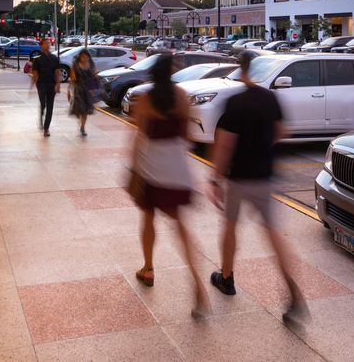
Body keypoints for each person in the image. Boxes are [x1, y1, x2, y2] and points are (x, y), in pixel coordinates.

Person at [207, 50, 307, 325]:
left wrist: (215, 179)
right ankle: (293, 293)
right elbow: (281, 132)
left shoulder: (235, 101)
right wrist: (262, 148)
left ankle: (226, 277)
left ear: (243, 71)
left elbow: (225, 144)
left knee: (229, 227)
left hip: (239, 178)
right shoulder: (271, 97)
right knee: (274, 235)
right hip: (265, 176)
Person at [129, 53, 210, 318]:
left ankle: (148, 268)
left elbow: (138, 138)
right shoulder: (181, 97)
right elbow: (187, 136)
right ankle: (198, 284)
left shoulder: (146, 100)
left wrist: (134, 169)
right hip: (177, 169)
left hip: (151, 168)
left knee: (148, 218)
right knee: (181, 229)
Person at [30, 39, 60, 136]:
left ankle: (46, 128)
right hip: (41, 85)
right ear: (41, 46)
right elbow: (34, 73)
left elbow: (57, 72)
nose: (48, 45)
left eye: (49, 43)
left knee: (50, 107)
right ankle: (42, 111)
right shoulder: (37, 60)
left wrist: (58, 84)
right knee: (43, 104)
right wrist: (32, 85)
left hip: (51, 84)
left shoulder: (55, 58)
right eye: (46, 43)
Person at [67, 48, 97, 137]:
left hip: (88, 90)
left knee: (85, 111)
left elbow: (94, 77)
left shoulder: (91, 65)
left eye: (86, 56)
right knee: (79, 110)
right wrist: (69, 91)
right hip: (78, 90)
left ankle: (83, 127)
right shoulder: (75, 65)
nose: (84, 58)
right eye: (82, 56)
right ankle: (80, 122)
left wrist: (94, 87)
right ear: (80, 57)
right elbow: (72, 78)